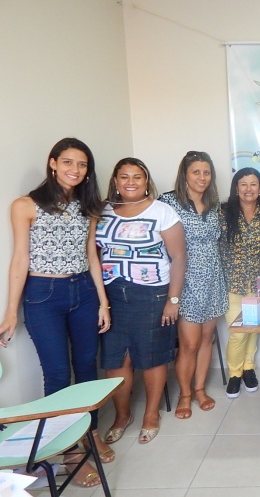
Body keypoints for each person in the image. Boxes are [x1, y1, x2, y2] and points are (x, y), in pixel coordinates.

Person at [0, 138, 112, 488]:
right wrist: (10, 311)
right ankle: (69, 451)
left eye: (82, 164)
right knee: (58, 375)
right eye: (68, 162)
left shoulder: (87, 206)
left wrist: (103, 301)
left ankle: (90, 434)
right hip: (43, 296)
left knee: (88, 369)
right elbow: (20, 259)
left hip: (84, 291)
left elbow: (91, 255)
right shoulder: (25, 205)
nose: (75, 170)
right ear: (53, 163)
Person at [96, 157, 186, 444]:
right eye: (124, 176)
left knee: (151, 356)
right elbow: (93, 253)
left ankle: (150, 414)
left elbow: (179, 257)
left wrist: (173, 299)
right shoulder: (102, 210)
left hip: (152, 293)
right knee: (115, 359)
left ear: (146, 181)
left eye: (137, 176)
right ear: (115, 181)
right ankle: (122, 415)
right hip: (112, 294)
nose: (131, 182)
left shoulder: (162, 212)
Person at [159, 151, 227, 419]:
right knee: (189, 343)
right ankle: (185, 394)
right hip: (184, 281)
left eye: (206, 172)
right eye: (196, 172)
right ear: (184, 175)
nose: (202, 177)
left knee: (207, 339)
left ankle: (199, 390)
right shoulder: (168, 203)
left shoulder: (214, 204)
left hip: (213, 279)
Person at [220, 168, 260, 398]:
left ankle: (249, 368)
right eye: (243, 184)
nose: (248, 189)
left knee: (252, 329)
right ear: (236, 188)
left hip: (258, 282)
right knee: (238, 333)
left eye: (253, 184)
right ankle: (234, 374)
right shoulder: (223, 214)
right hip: (233, 283)